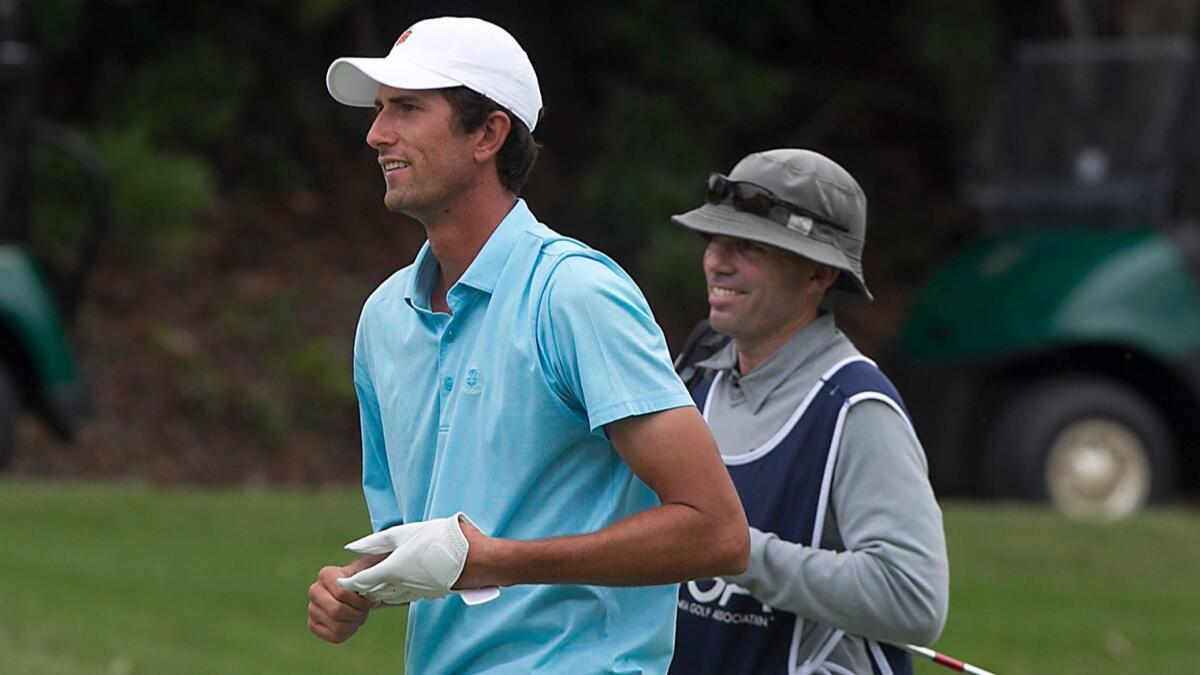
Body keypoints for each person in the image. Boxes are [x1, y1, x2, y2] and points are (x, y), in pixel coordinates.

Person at [306, 16, 749, 674]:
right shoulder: (382, 319)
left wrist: (504, 560)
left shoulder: (575, 296)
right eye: (378, 111)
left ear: (488, 133)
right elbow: (432, 545)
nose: (377, 134)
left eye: (406, 108)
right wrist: (359, 587)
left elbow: (716, 531)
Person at [668, 149, 949, 675]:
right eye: (714, 239)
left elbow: (913, 601)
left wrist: (732, 550)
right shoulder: (699, 368)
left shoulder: (856, 406)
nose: (715, 261)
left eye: (746, 246)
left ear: (818, 273)